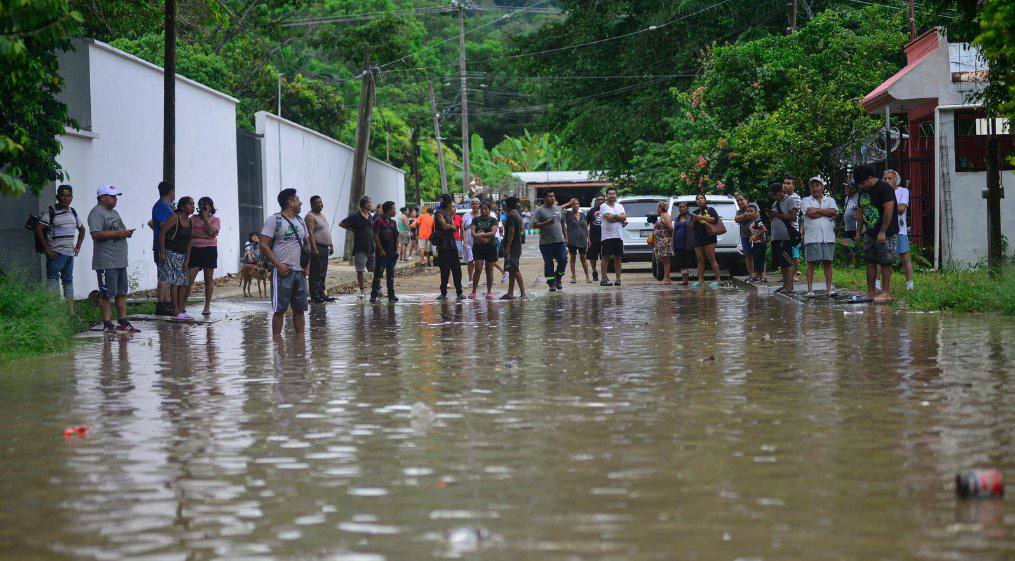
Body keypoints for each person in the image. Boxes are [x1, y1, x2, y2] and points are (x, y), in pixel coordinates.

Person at [88, 184, 140, 333]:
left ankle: (123, 321)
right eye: (111, 196)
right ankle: (107, 323)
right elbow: (95, 234)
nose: (115, 199)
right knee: (106, 293)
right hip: (106, 260)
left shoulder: (114, 212)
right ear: (102, 197)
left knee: (121, 292)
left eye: (115, 196)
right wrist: (118, 234)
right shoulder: (96, 213)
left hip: (120, 260)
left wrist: (125, 233)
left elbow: (117, 230)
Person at [260, 188, 311, 335]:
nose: (300, 202)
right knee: (279, 310)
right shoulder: (274, 220)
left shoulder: (301, 221)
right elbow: (263, 244)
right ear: (290, 202)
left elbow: (306, 242)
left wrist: (306, 265)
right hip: (282, 272)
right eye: (297, 199)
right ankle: (277, 346)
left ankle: (301, 344)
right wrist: (278, 265)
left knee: (300, 309)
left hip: (300, 272)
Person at [35, 184, 85, 315]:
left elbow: (82, 229)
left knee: (68, 282)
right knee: (52, 282)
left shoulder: (73, 212)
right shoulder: (50, 212)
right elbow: (38, 229)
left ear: (72, 197)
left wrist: (78, 246)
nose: (66, 198)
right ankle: (53, 312)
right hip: (55, 254)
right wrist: (47, 250)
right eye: (63, 196)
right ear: (57, 197)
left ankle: (71, 312)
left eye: (69, 196)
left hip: (69, 255)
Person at [853, 165, 898, 302]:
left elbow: (888, 211)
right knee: (869, 262)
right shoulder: (863, 189)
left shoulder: (885, 188)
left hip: (887, 233)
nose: (861, 186)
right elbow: (860, 212)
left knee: (885, 262)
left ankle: (885, 293)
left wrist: (882, 232)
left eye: (863, 183)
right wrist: (858, 233)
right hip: (870, 232)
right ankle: (871, 293)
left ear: (870, 178)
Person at [801, 177, 838, 298]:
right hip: (812, 237)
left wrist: (819, 212)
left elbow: (834, 211)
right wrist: (826, 212)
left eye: (818, 185)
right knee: (811, 263)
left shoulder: (830, 199)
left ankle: (828, 289)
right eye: (812, 186)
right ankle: (810, 290)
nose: (815, 188)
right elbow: (810, 212)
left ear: (823, 187)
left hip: (828, 237)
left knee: (828, 263)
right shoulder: (805, 200)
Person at [159, 196, 195, 319]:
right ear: (183, 206)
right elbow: (162, 232)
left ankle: (181, 308)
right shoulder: (175, 217)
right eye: (190, 204)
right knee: (174, 282)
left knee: (184, 282)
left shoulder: (191, 221)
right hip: (171, 252)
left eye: (193, 204)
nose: (193, 206)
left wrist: (188, 258)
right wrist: (162, 252)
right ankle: (175, 310)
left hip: (183, 254)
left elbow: (190, 240)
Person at [186, 196, 220, 316]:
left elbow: (211, 232)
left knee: (208, 279)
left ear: (211, 207)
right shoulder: (193, 218)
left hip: (209, 250)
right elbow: (191, 232)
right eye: (200, 205)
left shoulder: (215, 220)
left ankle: (207, 306)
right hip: (195, 250)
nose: (202, 208)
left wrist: (205, 218)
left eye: (205, 206)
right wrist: (205, 235)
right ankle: (182, 306)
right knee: (189, 279)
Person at [884, 169, 914, 290]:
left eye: (889, 178)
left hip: (900, 230)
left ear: (896, 180)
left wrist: (886, 208)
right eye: (885, 178)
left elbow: (902, 208)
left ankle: (910, 284)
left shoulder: (903, 191)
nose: (887, 180)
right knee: (884, 259)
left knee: (905, 257)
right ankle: (879, 284)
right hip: (885, 229)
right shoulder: (882, 193)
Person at [339, 196, 375, 298]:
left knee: (374, 269)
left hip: (371, 247)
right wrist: (352, 229)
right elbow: (342, 223)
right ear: (365, 204)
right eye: (369, 203)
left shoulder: (370, 216)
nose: (371, 204)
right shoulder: (355, 216)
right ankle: (362, 290)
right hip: (360, 247)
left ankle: (376, 288)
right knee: (360, 271)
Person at [532, 191, 567, 291]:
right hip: (545, 242)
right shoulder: (540, 210)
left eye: (553, 196)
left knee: (563, 260)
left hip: (559, 241)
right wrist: (545, 223)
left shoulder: (558, 208)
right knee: (548, 263)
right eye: (549, 196)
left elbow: (563, 223)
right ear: (545, 198)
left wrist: (566, 237)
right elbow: (534, 225)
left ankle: (558, 277)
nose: (552, 198)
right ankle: (551, 283)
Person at [305, 195, 335, 303]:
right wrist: (313, 248)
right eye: (317, 203)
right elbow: (310, 233)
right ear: (312, 204)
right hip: (316, 247)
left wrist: (330, 243)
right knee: (315, 273)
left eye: (321, 202)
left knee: (323, 272)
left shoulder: (322, 215)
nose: (320, 204)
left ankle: (322, 294)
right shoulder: (310, 216)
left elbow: (326, 231)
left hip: (324, 247)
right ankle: (315, 296)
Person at [151, 180, 175, 316]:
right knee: (163, 275)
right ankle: (162, 304)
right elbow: (163, 226)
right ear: (170, 192)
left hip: (167, 246)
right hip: (161, 246)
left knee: (166, 275)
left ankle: (166, 303)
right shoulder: (161, 206)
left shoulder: (167, 206)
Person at [768, 183, 797, 293]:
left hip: (786, 236)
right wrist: (771, 216)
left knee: (788, 261)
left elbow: (793, 217)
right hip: (776, 236)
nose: (774, 197)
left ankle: (790, 285)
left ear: (781, 191)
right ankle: (785, 284)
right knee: (781, 263)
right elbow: (774, 219)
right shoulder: (775, 203)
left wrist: (778, 215)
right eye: (772, 195)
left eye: (775, 194)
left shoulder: (790, 200)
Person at [434, 194, 464, 300]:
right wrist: (453, 227)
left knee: (457, 270)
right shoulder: (439, 213)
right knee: (445, 270)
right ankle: (443, 293)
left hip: (452, 245)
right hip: (443, 246)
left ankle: (459, 292)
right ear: (449, 203)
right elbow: (444, 226)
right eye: (451, 203)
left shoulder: (448, 213)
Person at [468, 202, 500, 299]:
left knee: (489, 269)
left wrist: (481, 235)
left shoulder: (493, 220)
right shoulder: (475, 219)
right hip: (478, 246)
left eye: (486, 209)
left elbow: (493, 232)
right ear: (480, 210)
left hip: (490, 246)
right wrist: (478, 237)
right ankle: (474, 291)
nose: (484, 211)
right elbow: (472, 231)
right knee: (478, 268)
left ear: (489, 210)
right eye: (482, 209)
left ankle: (489, 291)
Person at [370, 201, 399, 303]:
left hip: (391, 253)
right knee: (378, 275)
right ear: (389, 210)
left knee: (390, 275)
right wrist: (381, 249)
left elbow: (396, 236)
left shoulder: (393, 222)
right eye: (394, 209)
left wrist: (396, 249)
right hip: (382, 254)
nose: (395, 211)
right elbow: (375, 236)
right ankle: (373, 295)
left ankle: (391, 295)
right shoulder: (379, 221)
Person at [691, 194, 722, 287]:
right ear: (696, 201)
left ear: (705, 200)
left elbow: (714, 219)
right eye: (698, 199)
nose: (700, 200)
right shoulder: (695, 212)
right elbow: (691, 226)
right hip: (698, 239)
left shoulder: (710, 210)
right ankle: (700, 280)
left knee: (711, 258)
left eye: (702, 198)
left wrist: (701, 217)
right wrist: (694, 219)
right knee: (700, 259)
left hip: (709, 238)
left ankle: (718, 279)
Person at [500, 196, 526, 300]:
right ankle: (510, 293)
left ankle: (523, 293)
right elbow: (521, 228)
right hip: (517, 246)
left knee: (514, 269)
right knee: (511, 269)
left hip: (513, 247)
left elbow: (511, 233)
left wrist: (507, 248)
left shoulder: (511, 216)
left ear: (508, 205)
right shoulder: (518, 215)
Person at [599, 188, 626, 286]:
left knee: (618, 257)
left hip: (618, 235)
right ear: (606, 195)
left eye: (614, 193)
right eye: (610, 194)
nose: (612, 195)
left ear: (616, 195)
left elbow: (624, 217)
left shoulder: (620, 206)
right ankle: (603, 279)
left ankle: (618, 279)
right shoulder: (603, 206)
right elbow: (609, 218)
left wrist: (616, 217)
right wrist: (619, 218)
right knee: (605, 257)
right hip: (607, 236)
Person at [563, 198, 592, 283]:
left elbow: (585, 227)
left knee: (583, 258)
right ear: (571, 206)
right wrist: (568, 202)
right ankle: (573, 277)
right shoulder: (567, 213)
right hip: (571, 239)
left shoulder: (582, 214)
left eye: (577, 204)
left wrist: (588, 239)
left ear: (579, 205)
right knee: (573, 258)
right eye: (573, 204)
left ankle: (587, 277)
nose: (575, 205)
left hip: (582, 239)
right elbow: (558, 209)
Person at [734, 193, 761, 280]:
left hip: (757, 235)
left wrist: (744, 217)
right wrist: (747, 214)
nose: (739, 202)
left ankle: (760, 275)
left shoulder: (754, 205)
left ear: (746, 199)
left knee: (758, 255)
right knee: (748, 255)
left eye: (741, 200)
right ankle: (751, 275)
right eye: (738, 201)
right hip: (745, 236)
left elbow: (756, 216)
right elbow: (736, 219)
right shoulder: (739, 211)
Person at [671, 201, 695, 285]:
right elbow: (674, 230)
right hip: (678, 243)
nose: (682, 208)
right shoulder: (677, 218)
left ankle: (696, 279)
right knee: (682, 262)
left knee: (690, 261)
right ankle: (685, 280)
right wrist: (672, 241)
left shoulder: (691, 217)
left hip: (689, 243)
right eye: (680, 207)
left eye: (684, 207)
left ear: (688, 208)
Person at [783, 177, 802, 277]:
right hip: (784, 229)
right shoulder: (783, 198)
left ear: (793, 186)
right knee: (785, 251)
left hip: (793, 228)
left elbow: (792, 215)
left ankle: (794, 274)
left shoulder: (796, 198)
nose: (785, 185)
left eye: (788, 183)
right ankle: (787, 274)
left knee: (794, 252)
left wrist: (780, 214)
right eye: (784, 183)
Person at [653, 200, 674, 285]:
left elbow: (671, 228)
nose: (657, 209)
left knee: (666, 261)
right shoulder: (662, 216)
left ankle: (667, 278)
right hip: (660, 242)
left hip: (665, 242)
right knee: (663, 260)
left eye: (658, 207)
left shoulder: (666, 216)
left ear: (661, 208)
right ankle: (667, 278)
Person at [585, 193, 605, 282]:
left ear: (604, 200)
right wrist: (587, 238)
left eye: (602, 200)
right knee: (593, 257)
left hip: (605, 237)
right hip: (593, 237)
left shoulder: (607, 210)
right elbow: (586, 225)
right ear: (596, 201)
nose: (600, 201)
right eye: (599, 200)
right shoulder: (591, 211)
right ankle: (594, 272)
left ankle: (604, 275)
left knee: (605, 257)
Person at [748, 211, 768, 284]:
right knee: (756, 260)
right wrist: (752, 238)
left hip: (761, 243)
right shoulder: (752, 223)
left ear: (756, 213)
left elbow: (764, 229)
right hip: (755, 244)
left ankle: (762, 277)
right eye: (747, 211)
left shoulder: (758, 221)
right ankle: (756, 276)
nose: (748, 213)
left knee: (760, 260)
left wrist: (755, 236)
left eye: (751, 211)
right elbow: (754, 233)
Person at [842, 182, 860, 263]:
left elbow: (861, 210)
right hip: (847, 227)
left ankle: (855, 263)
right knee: (846, 246)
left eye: (849, 187)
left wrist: (857, 213)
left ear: (854, 189)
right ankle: (848, 262)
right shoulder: (847, 198)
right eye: (846, 187)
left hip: (856, 227)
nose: (846, 189)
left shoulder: (859, 197)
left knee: (855, 246)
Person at [462, 199, 479, 280]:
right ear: (470, 205)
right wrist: (464, 241)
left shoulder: (481, 215)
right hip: (468, 240)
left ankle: (476, 278)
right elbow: (462, 229)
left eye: (476, 204)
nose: (475, 205)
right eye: (473, 204)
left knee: (478, 261)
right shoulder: (466, 216)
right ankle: (470, 279)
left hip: (479, 240)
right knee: (470, 259)